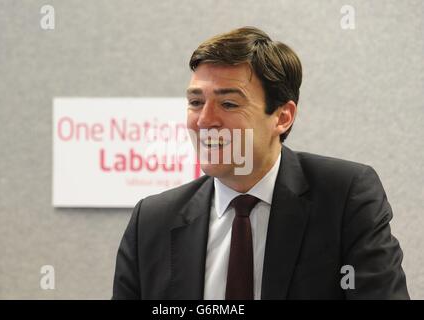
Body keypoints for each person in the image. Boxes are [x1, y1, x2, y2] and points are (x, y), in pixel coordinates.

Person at [112, 26, 409, 299]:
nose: (205, 121)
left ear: (282, 117)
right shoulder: (151, 221)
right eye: (196, 102)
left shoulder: (345, 199)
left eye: (228, 103)